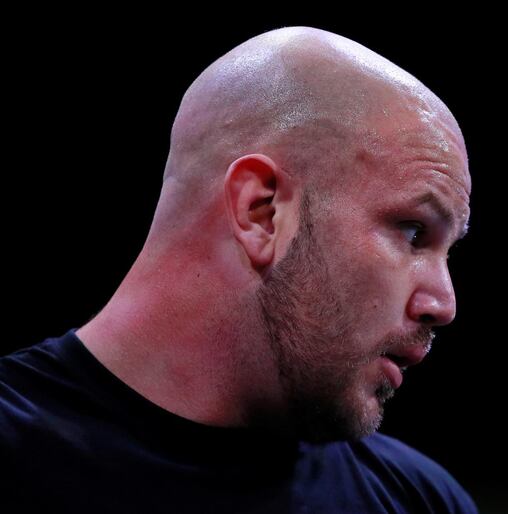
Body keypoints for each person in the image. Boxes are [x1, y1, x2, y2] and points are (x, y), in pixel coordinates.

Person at [0, 26, 475, 513]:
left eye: (448, 251)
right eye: (414, 232)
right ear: (261, 211)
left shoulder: (420, 499)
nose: (443, 304)